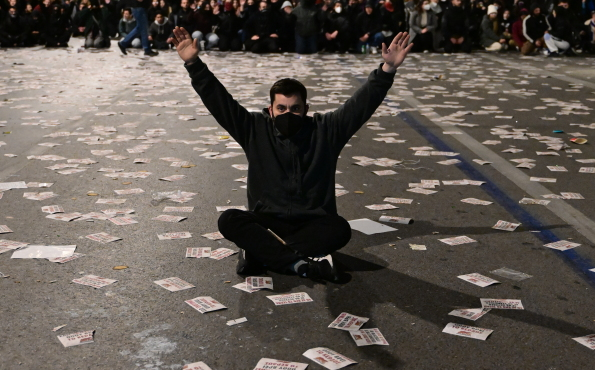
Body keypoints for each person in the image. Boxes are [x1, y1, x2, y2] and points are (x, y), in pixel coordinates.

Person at [170, 25, 413, 282]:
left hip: (312, 224)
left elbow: (360, 105)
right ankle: (300, 264)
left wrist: (387, 69)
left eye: (295, 109)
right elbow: (220, 102)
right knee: (229, 220)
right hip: (267, 221)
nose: (288, 114)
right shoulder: (254, 129)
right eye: (282, 108)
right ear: (270, 110)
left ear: (306, 109)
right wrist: (194, 64)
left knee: (340, 229)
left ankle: (262, 252)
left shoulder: (326, 130)